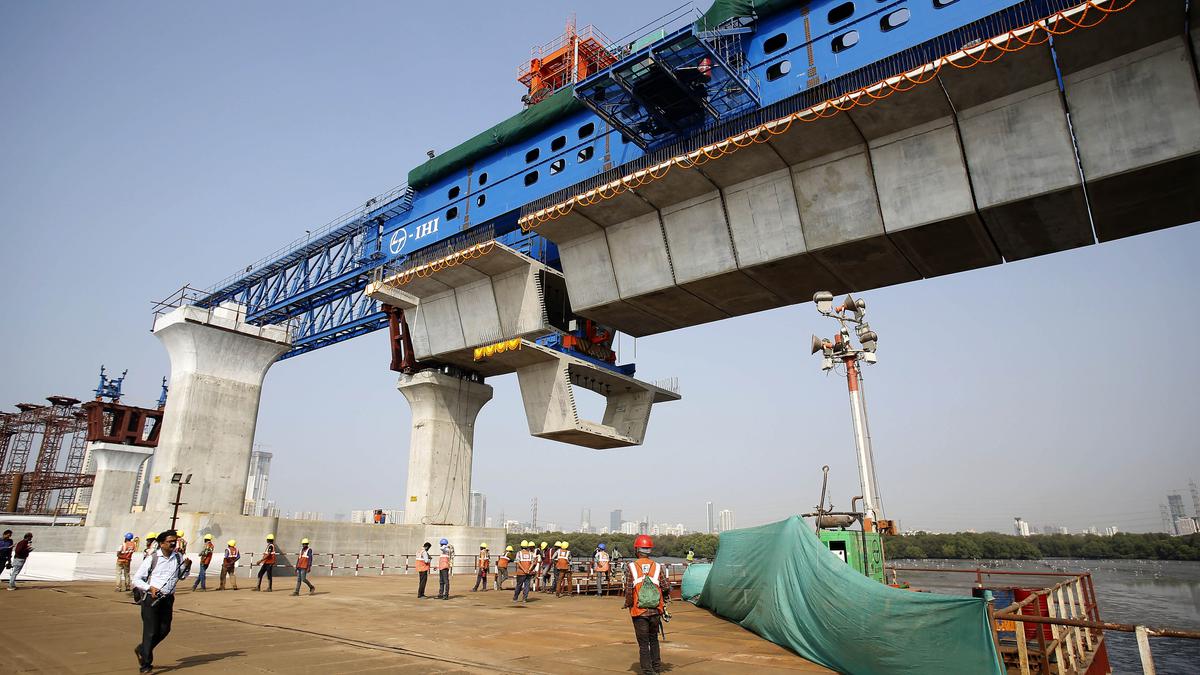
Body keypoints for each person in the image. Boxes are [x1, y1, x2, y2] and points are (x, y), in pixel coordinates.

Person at [132, 530, 185, 673]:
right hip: (152, 598)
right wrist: (150, 588)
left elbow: (182, 576)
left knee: (165, 629)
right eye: (170, 541)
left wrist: (187, 567)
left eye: (175, 541)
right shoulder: (153, 558)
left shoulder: (178, 557)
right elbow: (136, 579)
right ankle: (146, 664)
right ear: (162, 544)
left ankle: (143, 649)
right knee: (150, 631)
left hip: (168, 598)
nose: (173, 543)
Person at [623, 535, 671, 675]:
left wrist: (628, 604)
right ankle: (656, 668)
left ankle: (648, 671)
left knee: (643, 644)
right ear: (650, 550)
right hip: (655, 610)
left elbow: (629, 590)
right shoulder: (657, 566)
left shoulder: (631, 567)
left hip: (639, 611)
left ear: (636, 550)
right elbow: (665, 587)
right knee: (654, 639)